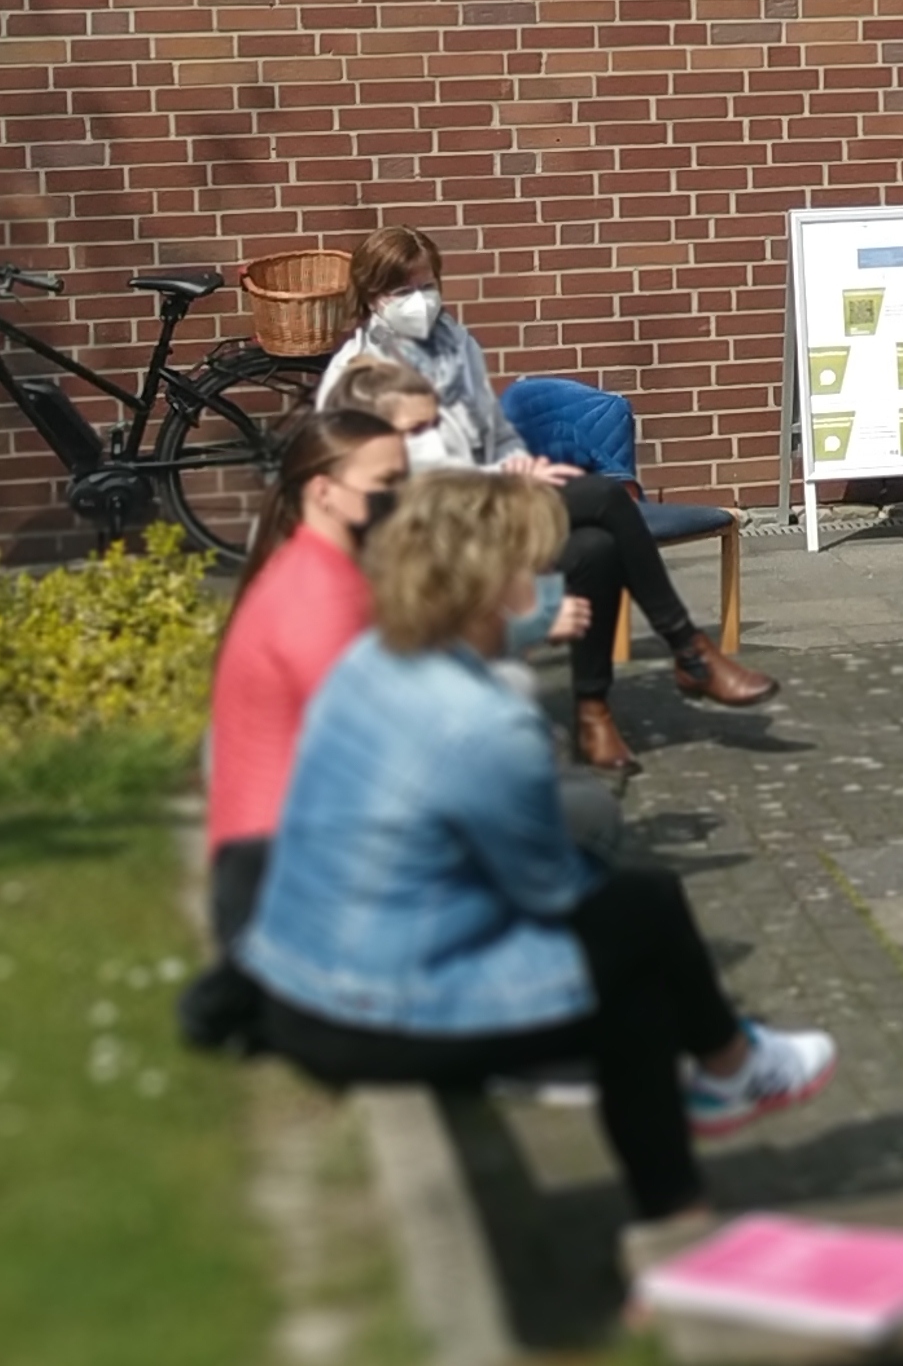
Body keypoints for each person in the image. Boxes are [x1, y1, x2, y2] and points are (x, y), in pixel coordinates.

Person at [243, 469, 837, 1230]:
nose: (548, 578)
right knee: (635, 951)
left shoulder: (375, 660)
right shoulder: (485, 722)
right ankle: (725, 1090)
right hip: (379, 1003)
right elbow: (549, 895)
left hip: (311, 964)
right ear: (492, 587)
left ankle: (703, 1153)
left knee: (636, 929)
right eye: (532, 565)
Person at [320, 228, 771, 769]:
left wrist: (517, 461)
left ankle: (593, 713)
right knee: (603, 496)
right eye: (404, 289)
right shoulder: (353, 377)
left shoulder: (456, 345)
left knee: (597, 550)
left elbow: (493, 432)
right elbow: (381, 486)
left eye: (429, 284)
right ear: (372, 296)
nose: (422, 300)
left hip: (491, 504)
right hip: (432, 532)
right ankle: (688, 649)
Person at [203, 403, 413, 953]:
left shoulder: (315, 567)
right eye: (387, 483)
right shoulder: (319, 597)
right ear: (324, 493)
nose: (401, 497)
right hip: (290, 882)